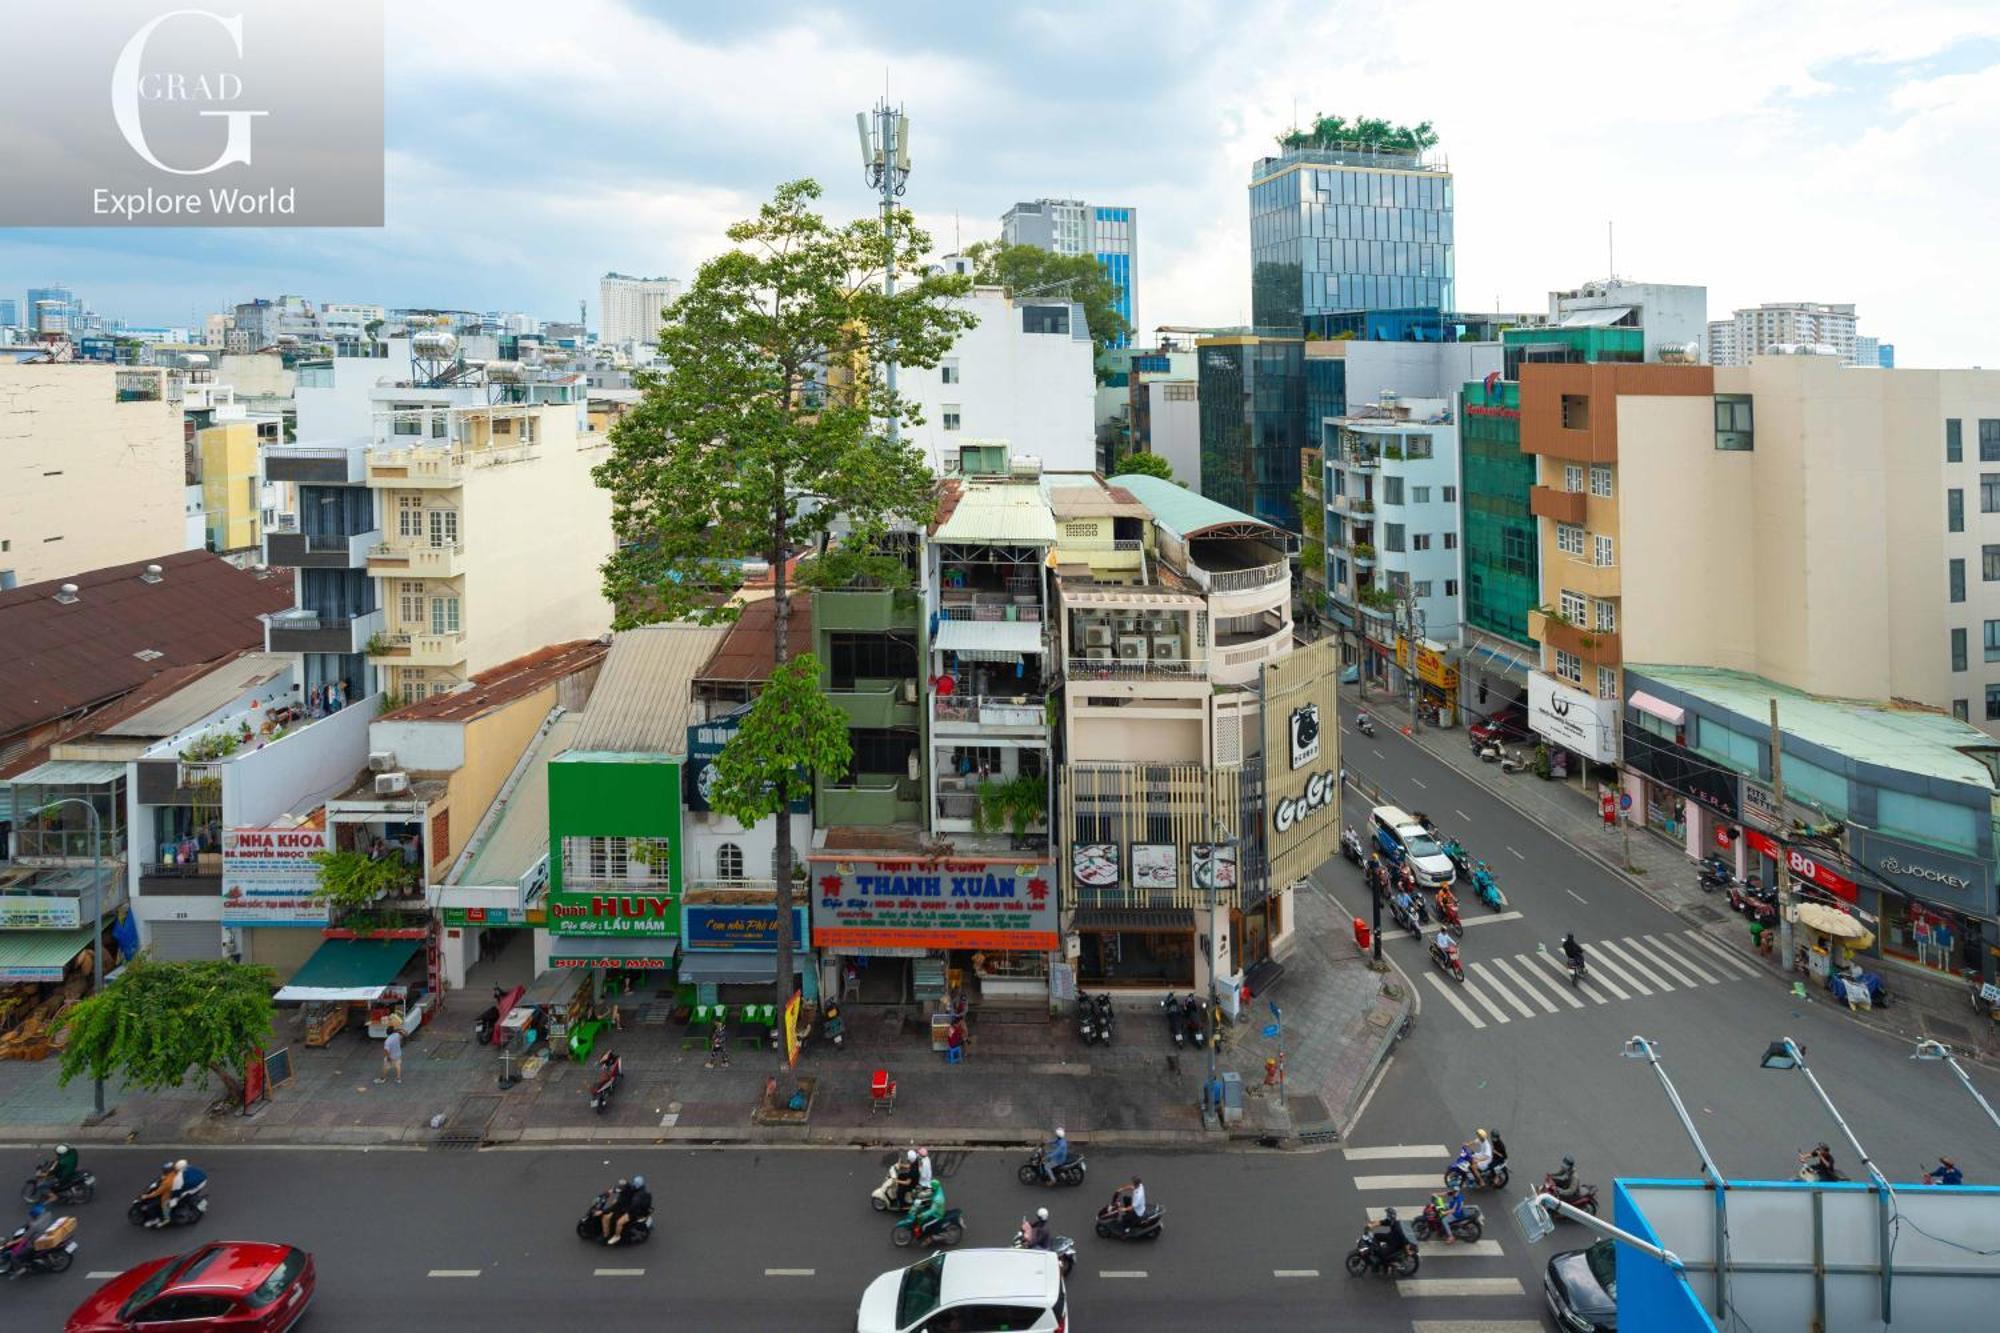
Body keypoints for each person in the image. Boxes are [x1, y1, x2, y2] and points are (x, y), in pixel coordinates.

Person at [4, 1203, 56, 1274]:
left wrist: (12, 1242)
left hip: (35, 1242)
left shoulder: (34, 1226)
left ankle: (21, 1269)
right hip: (46, 1234)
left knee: (14, 1255)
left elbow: (24, 1238)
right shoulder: (48, 1215)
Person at [607, 1174, 650, 1246]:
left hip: (635, 1212)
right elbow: (629, 1188)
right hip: (632, 1207)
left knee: (619, 1222)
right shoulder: (638, 1188)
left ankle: (617, 1236)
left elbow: (633, 1206)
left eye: (635, 1183)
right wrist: (624, 1184)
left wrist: (624, 1208)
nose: (634, 1184)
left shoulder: (639, 1196)